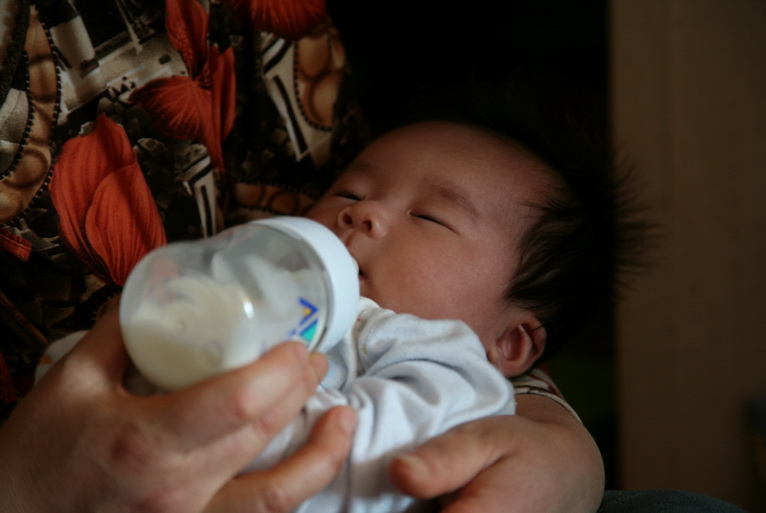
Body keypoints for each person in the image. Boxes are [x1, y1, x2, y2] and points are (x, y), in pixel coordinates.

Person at [0, 1, 606, 512]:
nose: (364, 213)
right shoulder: (267, 288)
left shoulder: (430, 353)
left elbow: (393, 441)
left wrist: (261, 423)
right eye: (349, 191)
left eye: (430, 217)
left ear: (511, 346)